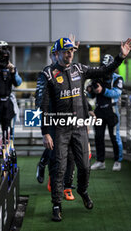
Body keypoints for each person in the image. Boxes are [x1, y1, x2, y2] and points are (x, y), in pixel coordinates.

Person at [40, 37, 131, 221]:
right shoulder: (48, 74)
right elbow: (43, 106)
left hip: (79, 127)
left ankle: (82, 191)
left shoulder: (79, 69)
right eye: (66, 51)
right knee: (59, 168)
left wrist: (120, 57)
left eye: (72, 50)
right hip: (59, 130)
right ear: (57, 53)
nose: (70, 53)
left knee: (84, 166)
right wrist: (45, 132)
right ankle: (56, 205)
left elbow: (104, 70)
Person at [35, 45, 76, 201]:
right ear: (53, 56)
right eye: (53, 54)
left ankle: (66, 186)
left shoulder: (68, 69)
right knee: (54, 151)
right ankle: (44, 166)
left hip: (69, 120)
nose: (54, 57)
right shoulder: (46, 72)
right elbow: (39, 97)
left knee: (68, 154)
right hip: (52, 118)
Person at [88, 54, 124, 171]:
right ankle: (100, 161)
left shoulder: (118, 78)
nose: (106, 69)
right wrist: (90, 90)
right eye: (104, 66)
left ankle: (118, 161)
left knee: (114, 136)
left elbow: (117, 93)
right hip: (98, 111)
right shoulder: (97, 77)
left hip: (112, 111)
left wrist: (102, 90)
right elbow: (91, 95)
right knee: (98, 136)